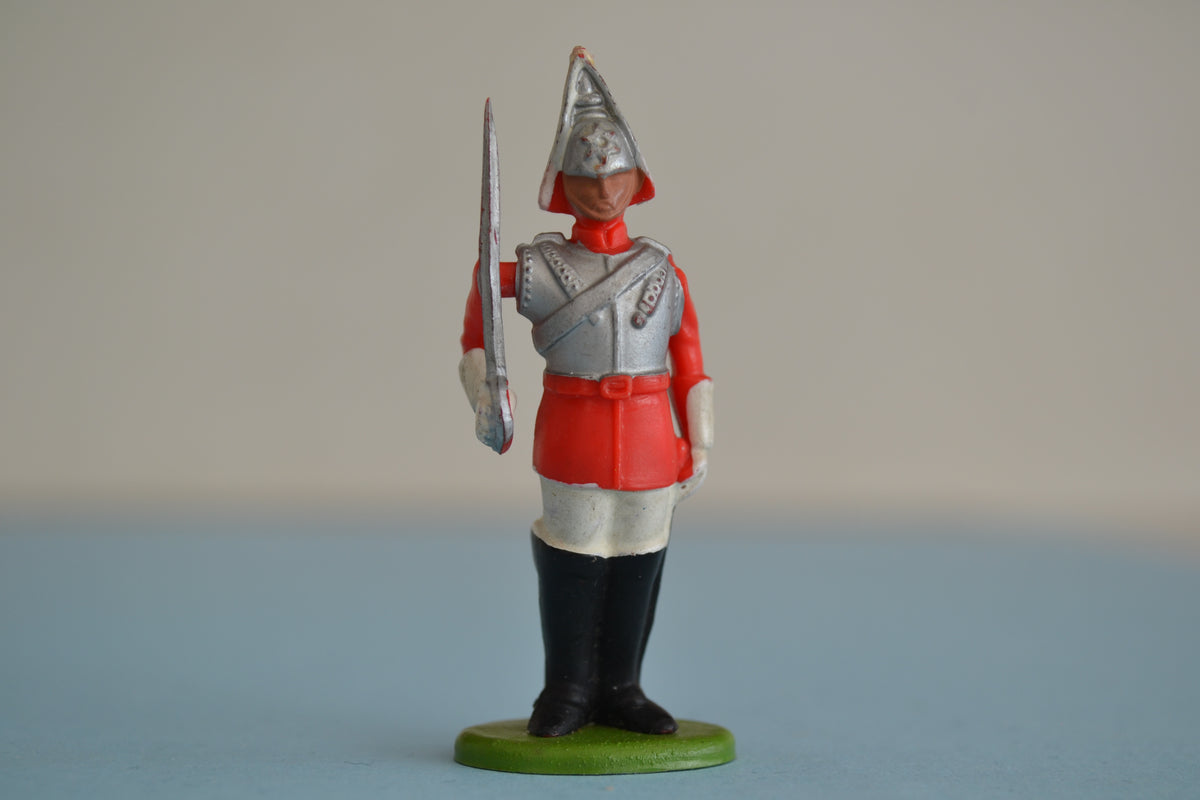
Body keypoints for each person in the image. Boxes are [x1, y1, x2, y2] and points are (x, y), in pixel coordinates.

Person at [458, 47, 712, 738]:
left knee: (640, 554)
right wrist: (485, 391)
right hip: (572, 431)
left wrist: (701, 437)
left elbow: (689, 359)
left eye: (615, 173)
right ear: (563, 182)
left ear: (637, 177)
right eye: (588, 175)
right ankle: (567, 689)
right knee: (574, 554)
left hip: (652, 436)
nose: (603, 189)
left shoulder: (662, 269)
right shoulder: (536, 267)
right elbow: (477, 330)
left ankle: (622, 687)